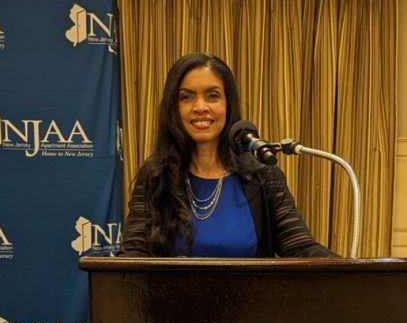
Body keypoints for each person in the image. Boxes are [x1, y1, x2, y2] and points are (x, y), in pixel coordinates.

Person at [121, 52, 335, 257]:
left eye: (212, 96)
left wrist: (349, 270)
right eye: (187, 97)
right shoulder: (155, 177)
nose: (200, 107)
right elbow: (133, 256)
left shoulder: (262, 175)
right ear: (173, 109)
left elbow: (301, 248)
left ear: (228, 104)